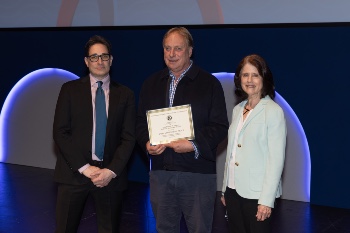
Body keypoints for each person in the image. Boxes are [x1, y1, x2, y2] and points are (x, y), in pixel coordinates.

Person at [136, 27, 229, 233]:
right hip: (161, 174)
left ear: (190, 51)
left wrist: (192, 144)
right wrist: (146, 143)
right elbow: (140, 123)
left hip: (197, 175)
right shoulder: (150, 83)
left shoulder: (209, 84)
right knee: (164, 229)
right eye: (167, 48)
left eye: (178, 48)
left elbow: (220, 126)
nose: (171, 54)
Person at [53, 35, 136, 233]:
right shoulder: (69, 90)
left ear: (111, 60)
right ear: (86, 61)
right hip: (74, 174)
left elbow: (129, 137)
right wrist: (85, 168)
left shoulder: (126, 94)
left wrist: (111, 171)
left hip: (110, 177)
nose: (100, 61)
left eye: (104, 56)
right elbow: (60, 132)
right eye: (94, 57)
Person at [221, 54, 286, 233]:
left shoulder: (273, 111)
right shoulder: (237, 109)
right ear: (239, 79)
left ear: (264, 78)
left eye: (255, 75)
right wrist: (225, 188)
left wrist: (266, 200)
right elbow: (232, 152)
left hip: (257, 195)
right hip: (233, 190)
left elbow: (276, 160)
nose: (249, 80)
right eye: (245, 75)